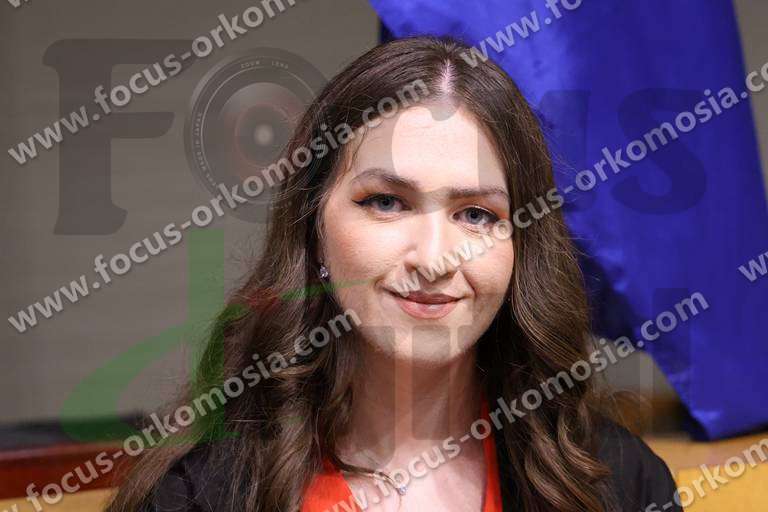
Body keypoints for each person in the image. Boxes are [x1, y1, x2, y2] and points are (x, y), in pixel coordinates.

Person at [106, 35, 682, 512]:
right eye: (386, 202)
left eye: (476, 214)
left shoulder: (621, 484)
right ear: (313, 226)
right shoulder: (197, 497)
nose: (433, 259)